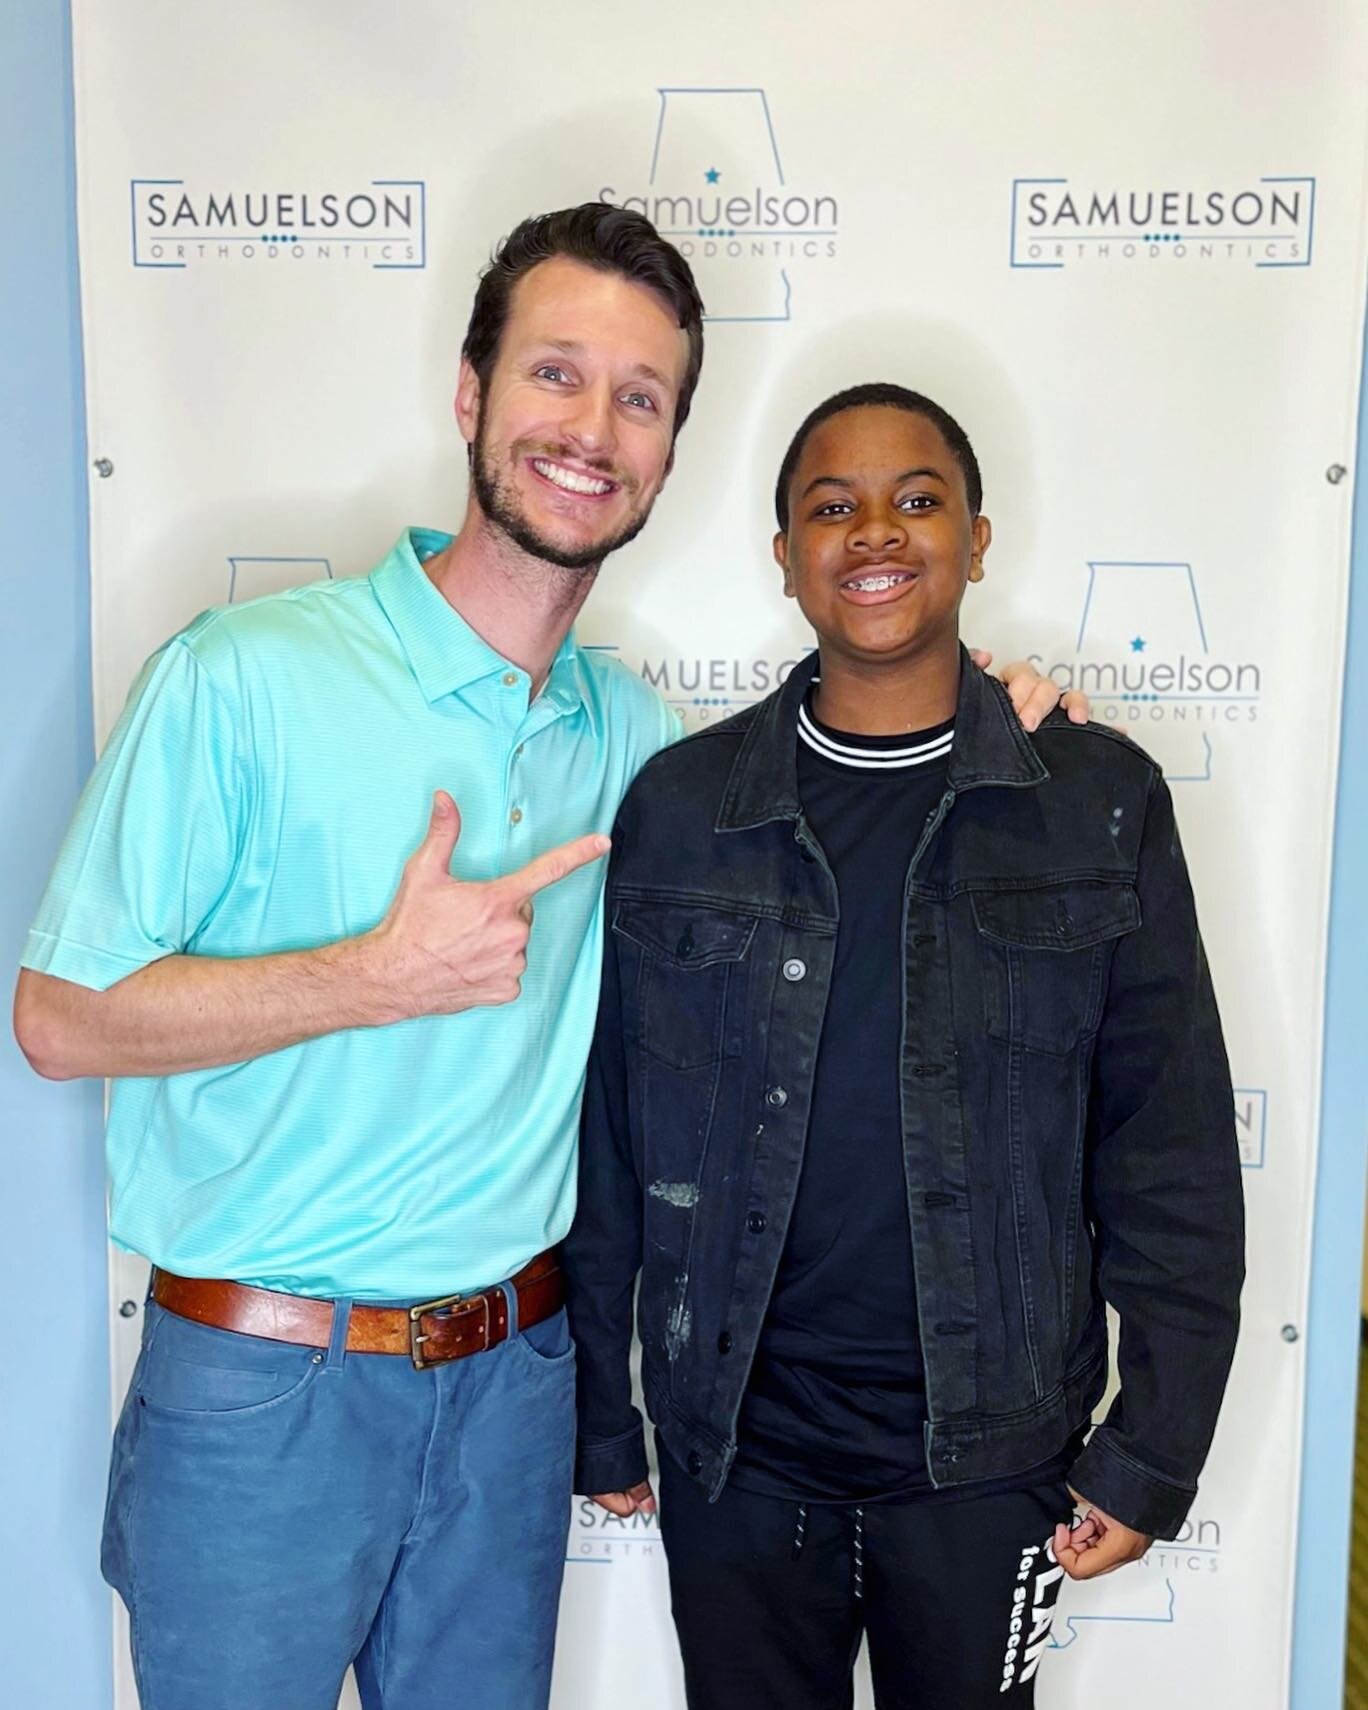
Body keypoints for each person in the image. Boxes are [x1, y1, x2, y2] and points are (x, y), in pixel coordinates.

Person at [14, 201, 1081, 1710]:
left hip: (515, 1382)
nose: (593, 427)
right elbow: (56, 1019)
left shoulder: (642, 747)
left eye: (640, 398)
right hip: (265, 1386)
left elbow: (848, 766)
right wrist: (364, 974)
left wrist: (989, 715)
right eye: (555, 375)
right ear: (471, 394)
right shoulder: (242, 677)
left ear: (666, 452)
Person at [565, 382, 1244, 1710]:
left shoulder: (1097, 801)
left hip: (995, 1468)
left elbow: (1170, 1151)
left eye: (916, 499)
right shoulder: (684, 811)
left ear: (978, 537)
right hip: (740, 1464)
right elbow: (612, 1142)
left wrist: (1152, 1444)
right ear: (784, 557)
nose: (875, 530)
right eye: (833, 505)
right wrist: (605, 1404)